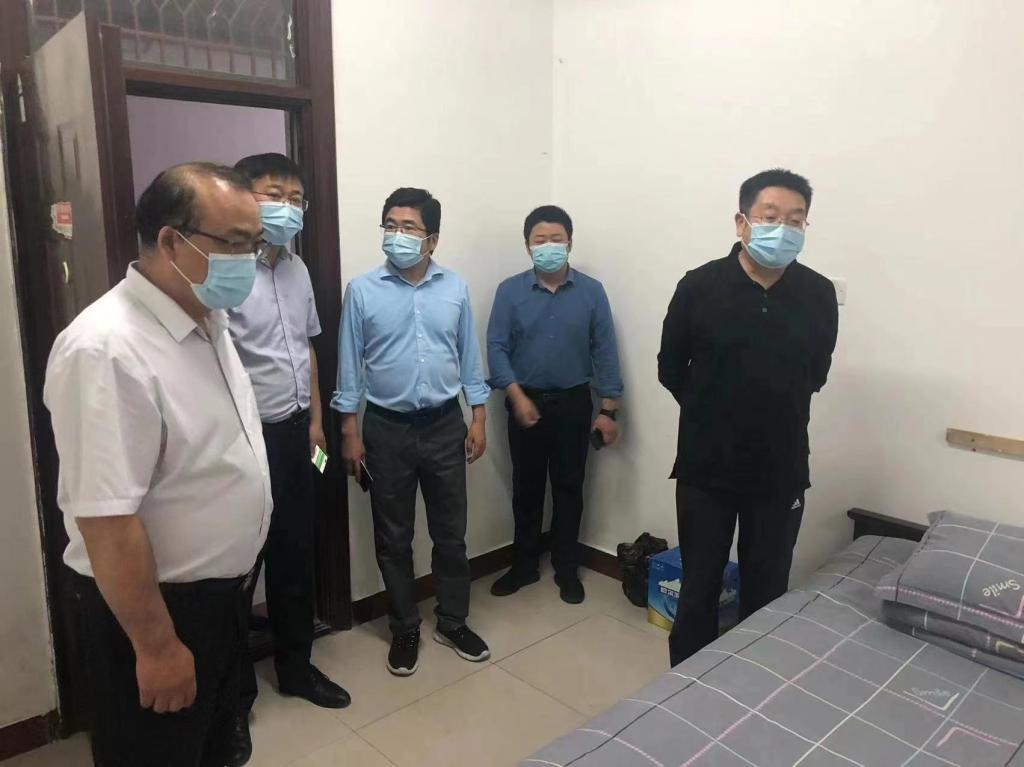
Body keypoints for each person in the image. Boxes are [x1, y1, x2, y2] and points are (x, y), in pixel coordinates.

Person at [43, 163, 272, 766]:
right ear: (171, 241)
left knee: (214, 750)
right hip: (158, 613)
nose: (249, 260)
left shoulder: (206, 317)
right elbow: (107, 520)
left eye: (256, 243)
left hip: (221, 603)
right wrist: (158, 646)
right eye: (236, 243)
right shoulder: (106, 349)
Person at [658, 169, 839, 666]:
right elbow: (670, 367)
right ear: (742, 223)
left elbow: (816, 373)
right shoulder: (699, 286)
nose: (784, 228)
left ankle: (751, 682)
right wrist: (714, 410)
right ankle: (688, 684)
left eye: (796, 220)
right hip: (706, 468)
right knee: (699, 586)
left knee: (767, 588)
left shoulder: (818, 294)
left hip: (780, 469)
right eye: (771, 216)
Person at [333, 187, 491, 677]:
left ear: (432, 239)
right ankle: (404, 627)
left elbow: (468, 356)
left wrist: (479, 417)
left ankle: (452, 620)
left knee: (451, 533)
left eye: (409, 227)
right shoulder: (362, 290)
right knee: (393, 538)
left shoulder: (455, 288)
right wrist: (350, 431)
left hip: (445, 424)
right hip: (386, 428)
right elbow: (349, 367)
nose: (396, 235)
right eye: (390, 225)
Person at [226, 154, 350, 765]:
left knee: (295, 552)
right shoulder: (224, 273)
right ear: (242, 197)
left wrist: (318, 424)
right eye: (273, 193)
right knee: (237, 567)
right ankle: (234, 700)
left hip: (301, 436)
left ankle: (296, 668)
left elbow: (307, 349)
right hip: (244, 443)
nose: (287, 206)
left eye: (296, 197)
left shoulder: (298, 270)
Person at [486, 205, 623, 604]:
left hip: (574, 404)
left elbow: (605, 350)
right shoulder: (509, 291)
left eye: (556, 239)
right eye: (540, 240)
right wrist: (516, 396)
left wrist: (609, 410)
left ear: (569, 243)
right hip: (523, 402)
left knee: (569, 488)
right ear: (527, 246)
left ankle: (567, 568)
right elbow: (496, 347)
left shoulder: (592, 291)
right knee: (526, 489)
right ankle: (524, 566)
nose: (548, 246)